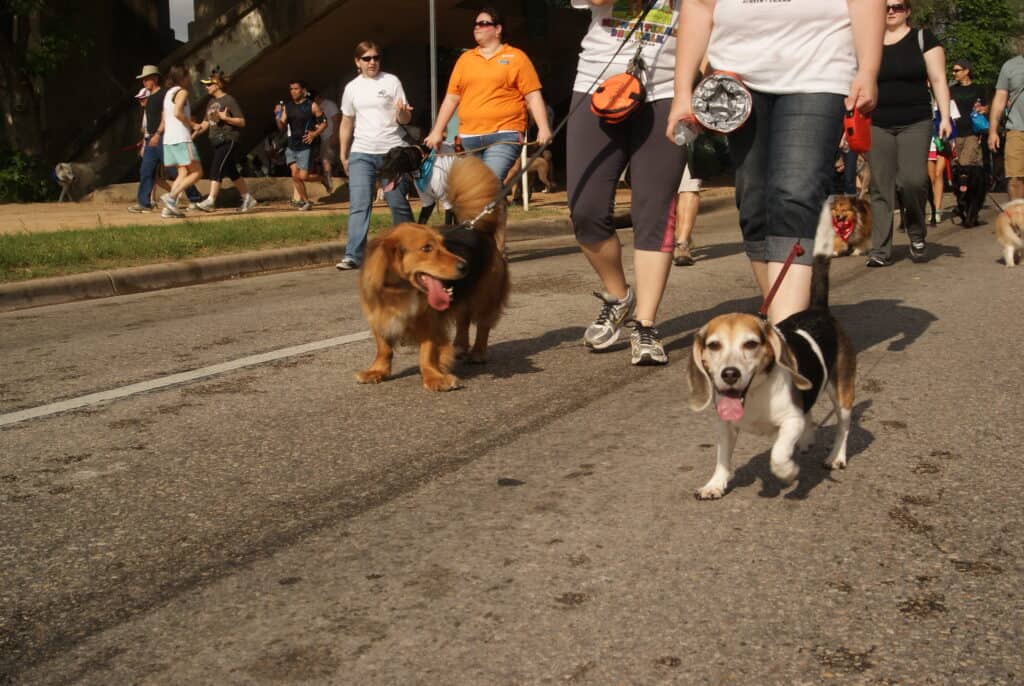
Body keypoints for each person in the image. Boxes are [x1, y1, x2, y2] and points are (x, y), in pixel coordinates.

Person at [668, 0, 882, 322]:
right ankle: (784, 308)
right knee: (753, 202)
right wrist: (682, 92)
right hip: (737, 81)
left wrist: (868, 69)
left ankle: (787, 331)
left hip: (819, 72)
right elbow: (698, 7)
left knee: (794, 194)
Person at [567, 0, 687, 366]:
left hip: (668, 89)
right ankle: (619, 296)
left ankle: (646, 324)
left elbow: (710, 15)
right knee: (584, 210)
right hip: (599, 83)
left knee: (653, 211)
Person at [861, 1, 950, 266]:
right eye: (886, 6)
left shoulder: (923, 39)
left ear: (908, 11)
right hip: (877, 121)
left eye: (897, 6)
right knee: (880, 185)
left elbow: (938, 79)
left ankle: (916, 232)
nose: (891, 10)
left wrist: (945, 117)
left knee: (912, 181)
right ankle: (880, 249)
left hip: (916, 120)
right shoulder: (868, 42)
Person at [423, 7, 552, 183]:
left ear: (498, 29)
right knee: (474, 191)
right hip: (469, 137)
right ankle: (494, 209)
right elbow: (452, 98)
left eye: (483, 23)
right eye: (475, 24)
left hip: (505, 135)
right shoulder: (465, 59)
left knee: (487, 184)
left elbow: (533, 95)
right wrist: (437, 130)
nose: (477, 27)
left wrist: (543, 127)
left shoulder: (516, 57)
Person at [336, 41, 415, 270]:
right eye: (367, 58)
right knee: (359, 205)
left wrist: (402, 113)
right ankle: (353, 255)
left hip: (391, 152)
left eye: (376, 58)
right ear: (357, 62)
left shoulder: (391, 82)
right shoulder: (352, 88)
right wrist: (343, 153)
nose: (372, 62)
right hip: (362, 152)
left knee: (398, 203)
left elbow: (405, 119)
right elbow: (346, 121)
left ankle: (410, 248)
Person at [128, 65, 198, 213]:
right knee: (146, 170)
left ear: (155, 78)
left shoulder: (164, 95)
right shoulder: (149, 97)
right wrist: (146, 139)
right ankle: (144, 203)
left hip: (163, 137)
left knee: (176, 170)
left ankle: (195, 198)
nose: (144, 83)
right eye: (143, 80)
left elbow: (166, 116)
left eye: (146, 79)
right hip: (151, 140)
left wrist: (158, 134)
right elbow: (149, 121)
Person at [192, 70, 257, 213]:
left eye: (209, 84)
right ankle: (247, 198)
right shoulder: (211, 102)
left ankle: (211, 200)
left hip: (228, 138)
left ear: (218, 85)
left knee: (216, 168)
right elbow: (205, 123)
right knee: (231, 170)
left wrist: (226, 118)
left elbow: (242, 122)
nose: (206, 87)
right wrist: (193, 133)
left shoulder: (229, 100)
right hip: (216, 141)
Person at [159, 66, 204, 219]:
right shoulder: (182, 92)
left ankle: (168, 209)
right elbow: (177, 112)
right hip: (181, 138)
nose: (190, 79)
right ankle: (171, 198)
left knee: (183, 172)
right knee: (197, 172)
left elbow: (166, 118)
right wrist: (193, 125)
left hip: (169, 139)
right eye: (188, 76)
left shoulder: (167, 94)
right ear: (183, 78)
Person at [275, 80, 327, 211]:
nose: (293, 91)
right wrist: (277, 115)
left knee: (303, 176)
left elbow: (324, 123)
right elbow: (281, 126)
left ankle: (322, 178)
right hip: (291, 145)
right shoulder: (288, 106)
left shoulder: (312, 105)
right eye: (291, 89)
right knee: (295, 175)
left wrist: (314, 134)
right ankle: (305, 202)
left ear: (303, 90)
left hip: (305, 145)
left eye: (296, 89)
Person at [988, 52, 1024, 200]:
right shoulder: (1010, 66)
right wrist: (992, 131)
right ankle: (1018, 221)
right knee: (1015, 179)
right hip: (1017, 130)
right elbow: (1000, 100)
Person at [950, 59, 989, 170]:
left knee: (965, 163)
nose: (953, 73)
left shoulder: (978, 89)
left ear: (966, 71)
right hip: (955, 134)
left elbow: (986, 107)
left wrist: (983, 109)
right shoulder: (951, 90)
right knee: (956, 167)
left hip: (972, 133)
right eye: (953, 70)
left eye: (956, 70)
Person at [673, 161, 702, 267]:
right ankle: (679, 235)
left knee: (689, 184)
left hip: (686, 145)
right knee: (668, 187)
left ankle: (682, 243)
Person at [313, 91, 341, 192]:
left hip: (331, 136)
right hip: (324, 138)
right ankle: (329, 181)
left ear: (317, 97)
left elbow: (337, 120)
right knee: (325, 159)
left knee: (326, 159)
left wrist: (335, 135)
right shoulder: (316, 107)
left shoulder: (329, 105)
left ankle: (329, 182)